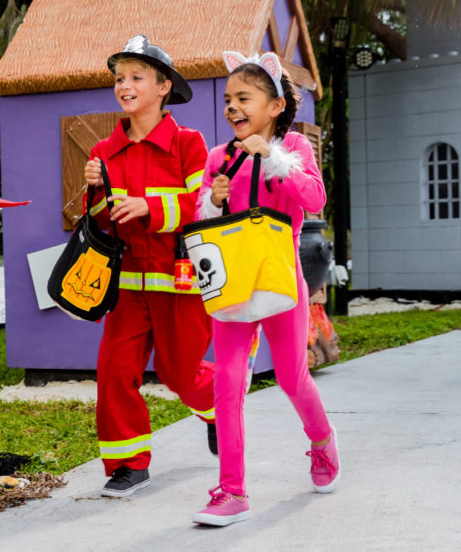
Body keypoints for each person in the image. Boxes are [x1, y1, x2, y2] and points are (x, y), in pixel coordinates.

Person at [191, 51, 339, 527]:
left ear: (274, 105)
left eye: (244, 98)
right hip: (233, 280)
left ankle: (322, 441)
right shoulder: (218, 157)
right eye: (228, 100)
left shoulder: (294, 144)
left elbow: (314, 198)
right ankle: (231, 491)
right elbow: (201, 225)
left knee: (292, 377)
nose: (232, 107)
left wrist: (270, 156)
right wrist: (210, 204)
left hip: (280, 275)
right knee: (228, 384)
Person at [83, 35, 216, 498]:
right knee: (114, 371)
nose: (125, 85)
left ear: (163, 87)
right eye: (120, 77)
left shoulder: (189, 144)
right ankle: (127, 464)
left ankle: (218, 407)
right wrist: (96, 193)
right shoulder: (103, 151)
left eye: (137, 77)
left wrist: (150, 207)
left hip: (180, 283)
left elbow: (203, 206)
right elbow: (100, 221)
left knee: (181, 374)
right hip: (127, 286)